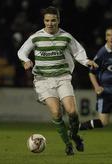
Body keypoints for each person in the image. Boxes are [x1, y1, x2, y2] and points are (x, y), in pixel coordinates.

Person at [17, 6, 97, 155]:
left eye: (53, 20)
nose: (50, 23)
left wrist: (87, 62)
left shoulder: (66, 37)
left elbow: (78, 52)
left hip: (62, 78)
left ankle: (74, 136)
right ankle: (68, 144)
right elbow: (21, 51)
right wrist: (25, 61)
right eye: (47, 20)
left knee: (72, 111)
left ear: (58, 20)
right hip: (43, 80)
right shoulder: (36, 37)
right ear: (44, 21)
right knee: (56, 113)